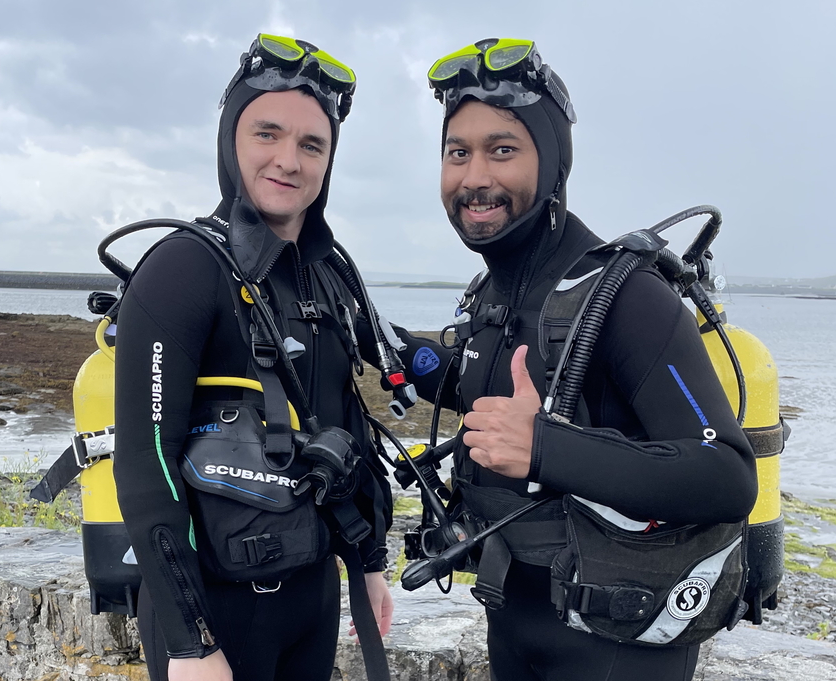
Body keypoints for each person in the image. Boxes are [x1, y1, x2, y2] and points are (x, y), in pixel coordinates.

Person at [365, 38, 758, 680]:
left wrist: (546, 449)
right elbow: (490, 393)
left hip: (615, 645)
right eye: (457, 153)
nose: (475, 177)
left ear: (551, 163)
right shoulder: (488, 295)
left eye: (503, 150)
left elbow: (725, 476)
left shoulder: (626, 297)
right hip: (513, 621)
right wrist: (409, 353)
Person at [112, 35, 393, 681]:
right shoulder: (182, 269)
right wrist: (190, 642)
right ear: (231, 139)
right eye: (268, 133)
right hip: (216, 612)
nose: (288, 160)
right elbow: (146, 466)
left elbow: (344, 426)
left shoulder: (325, 278)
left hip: (311, 595)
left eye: (311, 144)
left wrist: (369, 562)